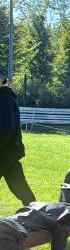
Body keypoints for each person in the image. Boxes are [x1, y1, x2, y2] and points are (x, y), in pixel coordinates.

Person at [0, 76, 36, 205]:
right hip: (9, 153)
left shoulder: (4, 99)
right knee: (22, 191)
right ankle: (36, 214)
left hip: (6, 152)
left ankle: (37, 215)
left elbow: (7, 129)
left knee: (22, 190)